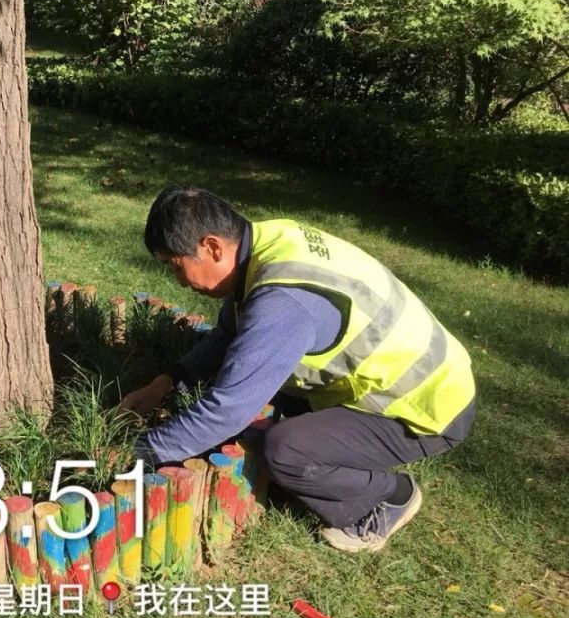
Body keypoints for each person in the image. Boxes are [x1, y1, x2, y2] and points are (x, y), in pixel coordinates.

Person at [121, 186, 476, 552]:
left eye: (176, 266)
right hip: (407, 379)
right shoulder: (263, 244)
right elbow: (229, 334)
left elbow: (228, 408)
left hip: (424, 407)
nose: (178, 280)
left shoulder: (281, 301)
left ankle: (388, 497)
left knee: (285, 450)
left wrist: (141, 453)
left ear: (212, 247)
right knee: (256, 399)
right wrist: (167, 382)